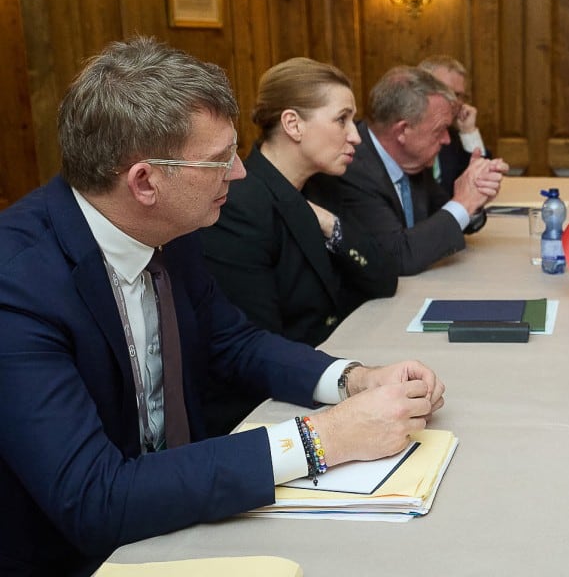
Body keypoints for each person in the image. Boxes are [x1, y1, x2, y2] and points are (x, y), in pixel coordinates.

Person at [0, 37, 445, 576]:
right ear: (145, 181)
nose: (238, 172)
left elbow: (232, 339)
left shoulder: (171, 224)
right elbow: (93, 498)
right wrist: (323, 439)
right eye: (218, 161)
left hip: (185, 513)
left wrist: (353, 379)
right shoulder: (18, 286)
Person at [200, 58, 398, 434]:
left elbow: (383, 277)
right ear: (293, 124)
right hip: (276, 408)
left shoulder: (323, 186)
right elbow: (255, 349)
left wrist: (326, 222)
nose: (355, 135)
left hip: (323, 372)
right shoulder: (241, 204)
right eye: (342, 119)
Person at [331, 65, 509, 276]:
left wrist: (474, 198)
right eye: (440, 130)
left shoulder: (411, 159)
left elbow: (443, 218)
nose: (447, 139)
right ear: (403, 130)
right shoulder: (352, 167)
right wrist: (464, 202)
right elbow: (397, 257)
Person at [419, 56, 488, 194]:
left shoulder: (451, 134)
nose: (456, 102)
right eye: (448, 92)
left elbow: (482, 182)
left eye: (460, 95)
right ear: (421, 90)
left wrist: (469, 132)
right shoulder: (408, 134)